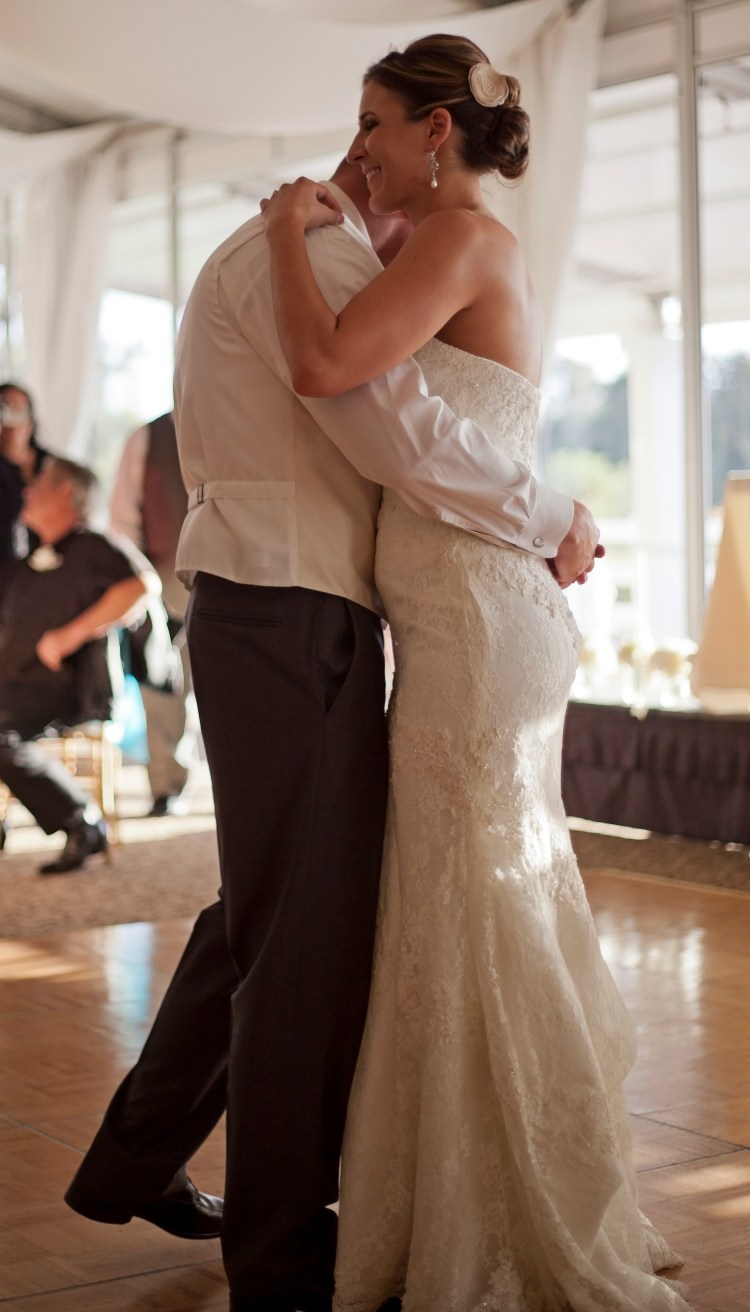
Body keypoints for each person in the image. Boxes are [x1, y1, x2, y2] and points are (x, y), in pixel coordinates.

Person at [64, 147, 601, 1310]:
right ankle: (279, 1259)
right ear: (389, 158)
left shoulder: (283, 246)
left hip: (273, 604)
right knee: (300, 951)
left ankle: (136, 1158)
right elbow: (397, 433)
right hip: (296, 611)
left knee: (265, 916)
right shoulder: (316, 247)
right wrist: (556, 515)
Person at [259, 34, 693, 1312]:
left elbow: (330, 367)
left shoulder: (456, 242)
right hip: (460, 617)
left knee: (471, 897)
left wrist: (288, 229)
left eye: (376, 123)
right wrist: (349, 198)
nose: (361, 147)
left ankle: (505, 1208)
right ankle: (466, 1188)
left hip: (478, 621)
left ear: (436, 133)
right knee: (460, 898)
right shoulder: (427, 244)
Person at [0, 457, 151, 873]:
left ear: (68, 493)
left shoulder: (96, 546)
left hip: (61, 689)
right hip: (13, 685)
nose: (27, 493)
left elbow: (143, 587)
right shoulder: (29, 557)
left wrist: (71, 635)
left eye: (38, 486)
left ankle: (81, 819)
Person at [110, 410, 194, 817]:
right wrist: (144, 582)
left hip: (238, 573)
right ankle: (166, 786)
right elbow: (123, 519)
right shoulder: (148, 437)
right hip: (166, 578)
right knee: (163, 688)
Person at [0, 381, 49, 568]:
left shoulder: (51, 466)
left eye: (18, 410)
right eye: (4, 408)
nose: (11, 419)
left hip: (49, 569)